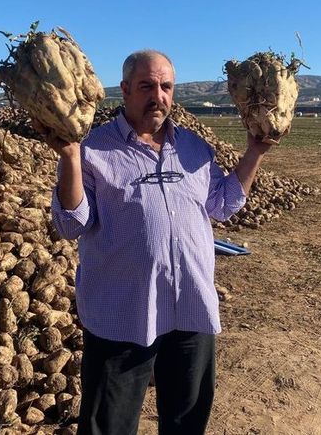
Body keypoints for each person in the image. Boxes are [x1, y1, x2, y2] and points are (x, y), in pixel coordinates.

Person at [48, 50, 272, 435]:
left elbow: (222, 205)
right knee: (108, 426)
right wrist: (69, 155)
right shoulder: (92, 150)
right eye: (146, 86)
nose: (158, 96)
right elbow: (71, 224)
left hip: (190, 309)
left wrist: (254, 152)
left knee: (186, 422)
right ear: (124, 90)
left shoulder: (194, 148)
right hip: (122, 314)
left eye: (166, 86)